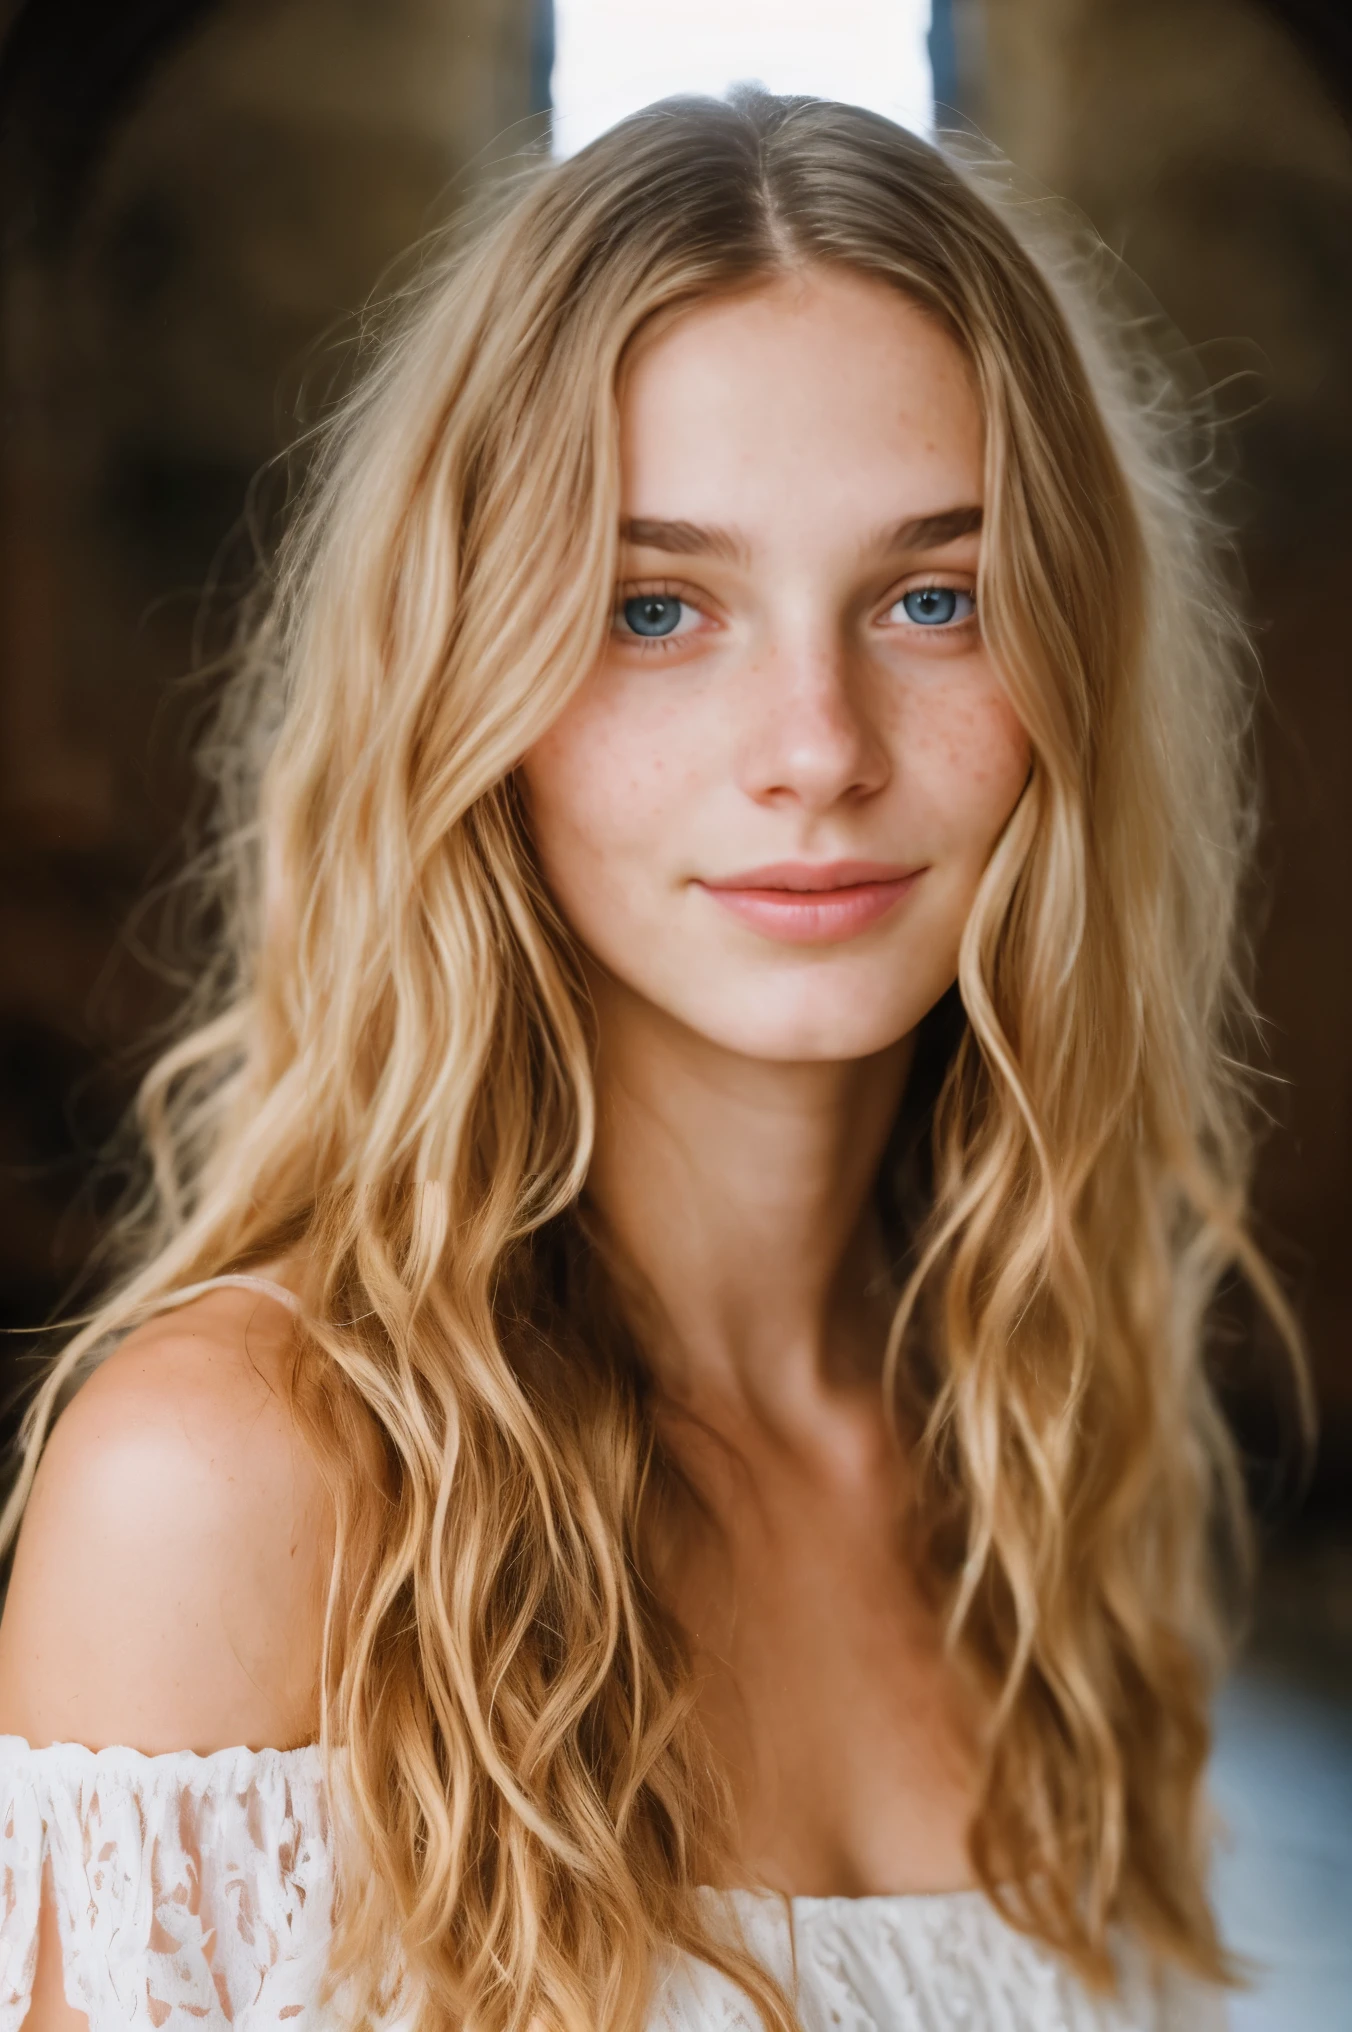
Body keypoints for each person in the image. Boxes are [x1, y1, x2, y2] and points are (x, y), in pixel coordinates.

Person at [0, 88, 1294, 2032]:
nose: (814, 744)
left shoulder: (1047, 1467)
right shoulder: (231, 1487)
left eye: (931, 596)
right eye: (652, 606)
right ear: (471, 686)